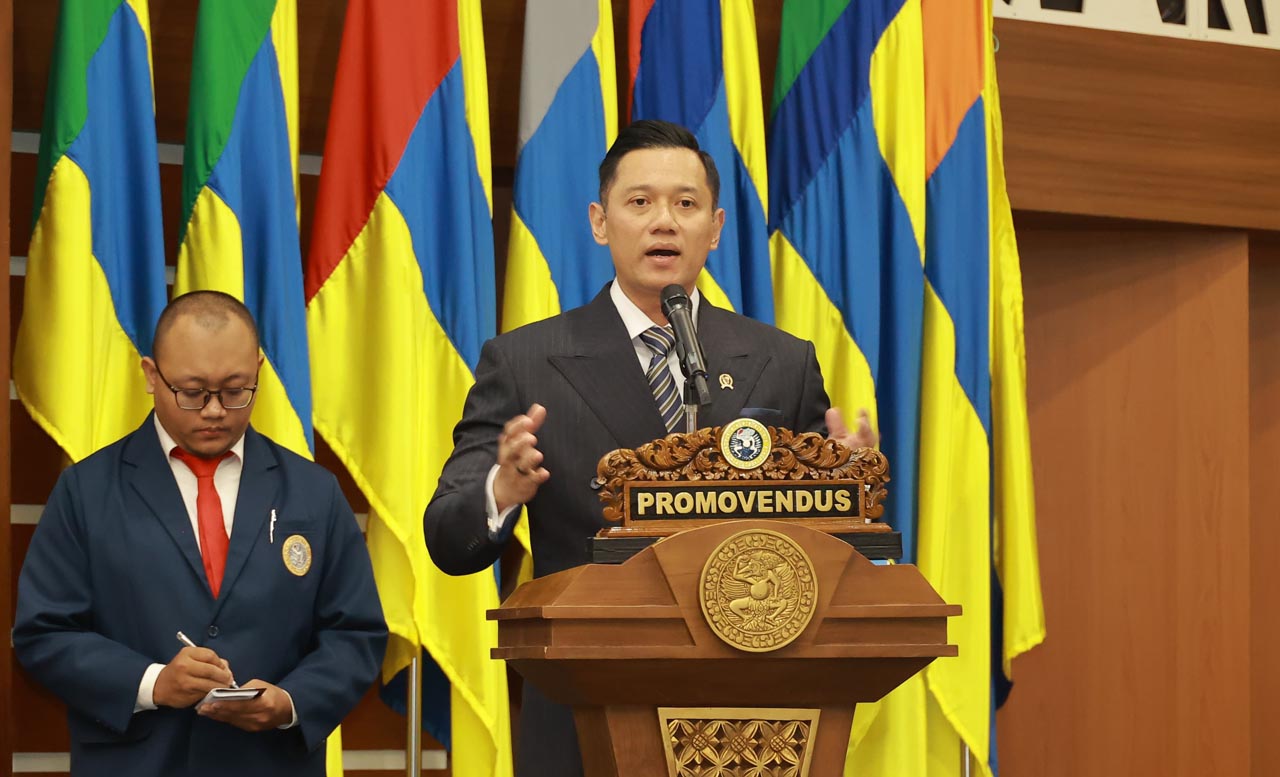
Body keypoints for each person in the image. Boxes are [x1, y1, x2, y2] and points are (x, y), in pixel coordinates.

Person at [424, 120, 874, 777]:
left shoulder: (782, 360)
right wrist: (500, 488)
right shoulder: (525, 361)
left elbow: (824, 543)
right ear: (600, 221)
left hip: (751, 722)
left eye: (685, 204)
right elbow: (446, 534)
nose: (664, 221)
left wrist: (849, 489)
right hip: (586, 717)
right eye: (640, 202)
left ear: (716, 227)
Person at [14, 291, 387, 776]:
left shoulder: (314, 491)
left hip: (268, 763)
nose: (214, 411)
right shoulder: (86, 491)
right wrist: (152, 682)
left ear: (257, 370)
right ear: (151, 376)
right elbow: (43, 634)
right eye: (191, 392)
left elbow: (355, 632)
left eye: (235, 390)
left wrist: (291, 702)